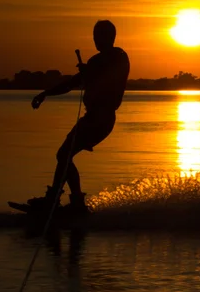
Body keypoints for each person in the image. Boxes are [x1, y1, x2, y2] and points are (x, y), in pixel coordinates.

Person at [27, 20, 130, 214]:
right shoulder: (95, 61)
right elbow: (72, 83)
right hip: (91, 117)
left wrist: (91, 73)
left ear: (110, 37)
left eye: (99, 37)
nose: (96, 41)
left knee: (64, 154)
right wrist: (45, 93)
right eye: (94, 37)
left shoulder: (119, 57)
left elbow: (110, 77)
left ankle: (61, 202)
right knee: (64, 155)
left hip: (102, 119)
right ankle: (73, 203)